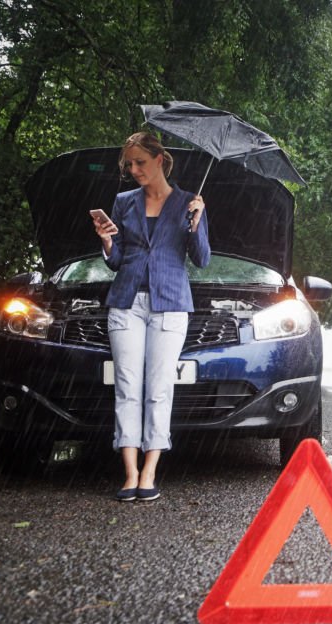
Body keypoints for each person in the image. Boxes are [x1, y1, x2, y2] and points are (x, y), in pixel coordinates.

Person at [91, 132, 211, 502]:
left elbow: (202, 259)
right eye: (129, 163)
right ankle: (129, 473)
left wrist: (196, 221)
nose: (133, 169)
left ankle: (149, 471)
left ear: (160, 159)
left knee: (159, 389)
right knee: (128, 386)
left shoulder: (190, 202)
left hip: (171, 303)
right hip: (126, 302)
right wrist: (107, 239)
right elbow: (116, 261)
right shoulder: (124, 201)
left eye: (140, 161)